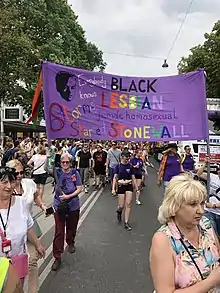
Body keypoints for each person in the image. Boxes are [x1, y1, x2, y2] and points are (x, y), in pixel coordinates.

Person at [150, 173, 220, 292]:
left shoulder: (205, 224)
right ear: (174, 206)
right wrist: (211, 282)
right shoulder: (163, 240)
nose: (201, 210)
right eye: (193, 204)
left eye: (202, 203)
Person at [6, 159, 46, 293]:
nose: (19, 175)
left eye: (21, 172)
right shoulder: (5, 187)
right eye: (15, 173)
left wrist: (42, 205)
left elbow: (36, 197)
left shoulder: (29, 183)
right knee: (12, 267)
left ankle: (32, 290)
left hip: (28, 225)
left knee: (32, 260)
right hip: (10, 232)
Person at [46, 154, 82, 271]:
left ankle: (70, 242)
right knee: (59, 231)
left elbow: (79, 188)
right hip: (59, 207)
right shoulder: (56, 172)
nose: (65, 164)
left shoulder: (75, 173)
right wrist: (46, 157)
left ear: (70, 163)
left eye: (67, 162)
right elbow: (46, 169)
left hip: (72, 205)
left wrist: (68, 196)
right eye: (63, 162)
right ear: (60, 163)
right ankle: (57, 257)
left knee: (72, 227)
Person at [112, 150, 139, 231]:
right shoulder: (118, 166)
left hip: (129, 185)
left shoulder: (130, 166)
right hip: (120, 186)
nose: (128, 158)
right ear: (122, 157)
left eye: (128, 157)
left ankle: (126, 222)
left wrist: (136, 187)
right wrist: (113, 188)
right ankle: (119, 211)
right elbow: (115, 177)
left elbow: (133, 177)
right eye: (126, 157)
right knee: (121, 205)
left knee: (128, 203)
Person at [197, 157, 220, 236]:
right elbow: (199, 174)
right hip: (208, 211)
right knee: (211, 234)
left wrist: (214, 205)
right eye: (219, 170)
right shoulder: (213, 177)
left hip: (218, 213)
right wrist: (205, 164)